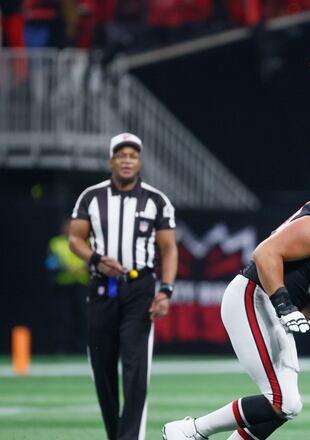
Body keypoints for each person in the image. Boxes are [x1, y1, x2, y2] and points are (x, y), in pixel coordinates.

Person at [163, 160, 310, 440]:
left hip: (269, 304)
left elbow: (307, 288)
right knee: (280, 400)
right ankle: (189, 431)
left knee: (288, 404)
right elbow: (265, 253)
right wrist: (284, 306)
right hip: (253, 297)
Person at [68, 132, 178, 440]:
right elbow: (75, 237)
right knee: (102, 367)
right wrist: (95, 259)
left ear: (139, 161)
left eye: (132, 156)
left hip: (139, 288)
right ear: (112, 160)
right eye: (121, 155)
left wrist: (166, 290)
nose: (127, 160)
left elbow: (169, 249)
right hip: (102, 287)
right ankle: (115, 435)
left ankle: (129, 437)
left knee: (135, 369)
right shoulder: (91, 197)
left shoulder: (156, 200)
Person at [46, 218, 89, 352]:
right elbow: (50, 262)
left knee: (84, 317)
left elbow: (93, 259)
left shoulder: (85, 241)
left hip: (82, 284)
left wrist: (84, 269)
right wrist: (65, 268)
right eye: (67, 227)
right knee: (64, 318)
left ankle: (84, 347)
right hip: (64, 285)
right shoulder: (55, 243)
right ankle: (63, 349)